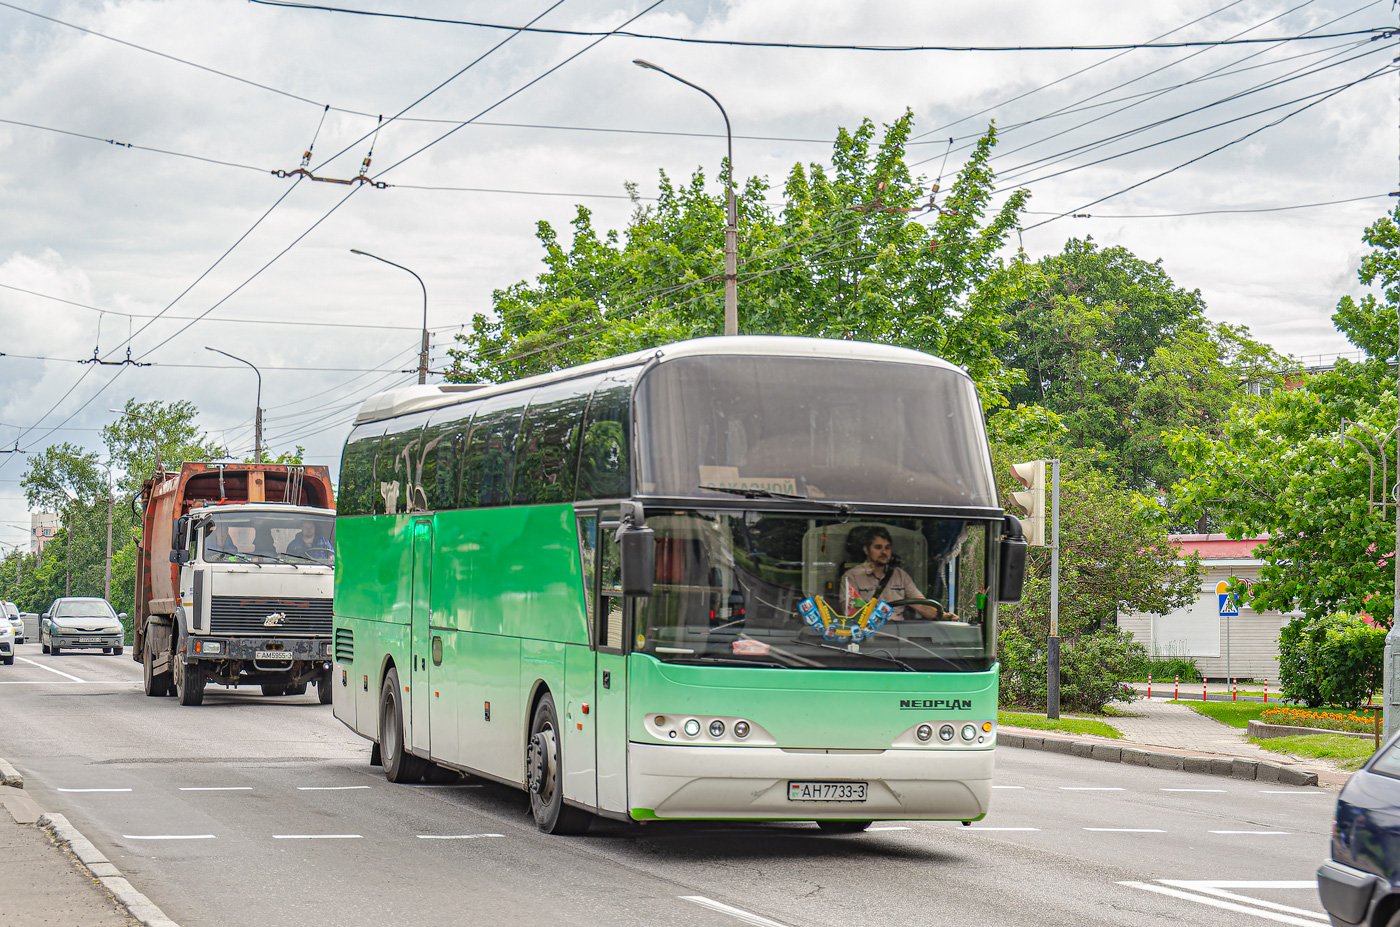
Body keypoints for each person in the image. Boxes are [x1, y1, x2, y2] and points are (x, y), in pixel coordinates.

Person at [840, 526, 944, 621]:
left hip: (898, 632)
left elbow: (920, 604)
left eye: (887, 548)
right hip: (868, 632)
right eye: (878, 547)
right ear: (866, 550)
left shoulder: (900, 576)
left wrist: (941, 615)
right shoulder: (852, 576)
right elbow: (849, 610)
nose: (884, 552)